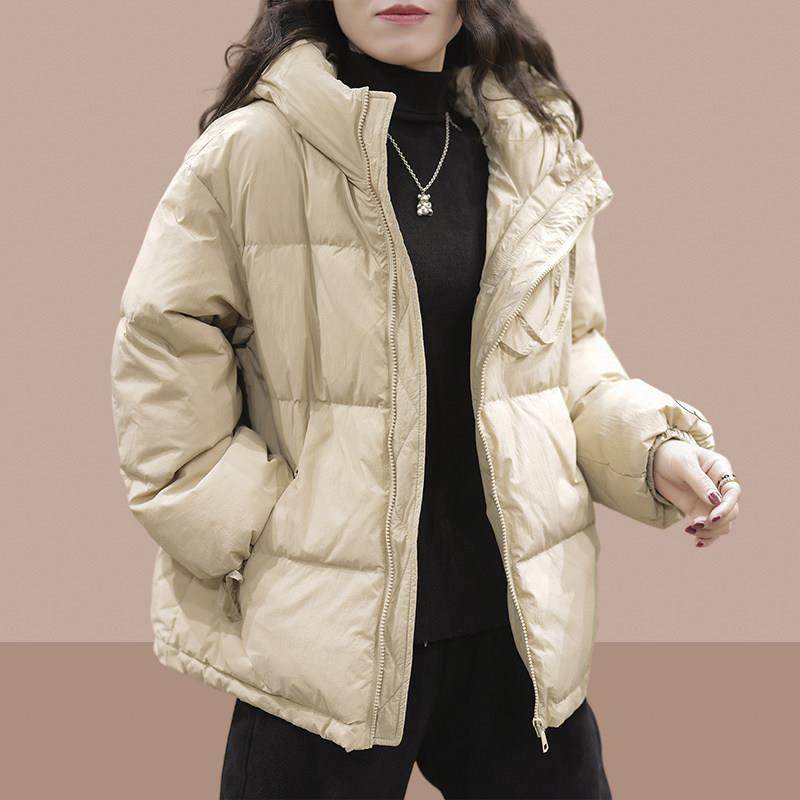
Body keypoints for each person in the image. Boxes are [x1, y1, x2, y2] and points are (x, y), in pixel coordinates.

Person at [109, 2, 742, 798]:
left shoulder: (532, 150)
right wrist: (258, 526)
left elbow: (565, 360)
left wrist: (655, 451)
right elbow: (162, 344)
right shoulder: (252, 152)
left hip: (512, 631)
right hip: (327, 643)